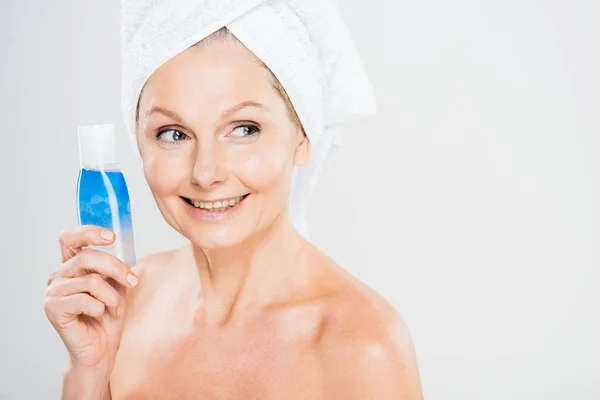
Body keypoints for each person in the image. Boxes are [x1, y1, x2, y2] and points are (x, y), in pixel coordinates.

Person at [45, 6, 423, 400]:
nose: (206, 173)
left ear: (303, 137)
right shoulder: (124, 302)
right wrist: (88, 371)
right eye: (173, 134)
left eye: (244, 129)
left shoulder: (360, 346)